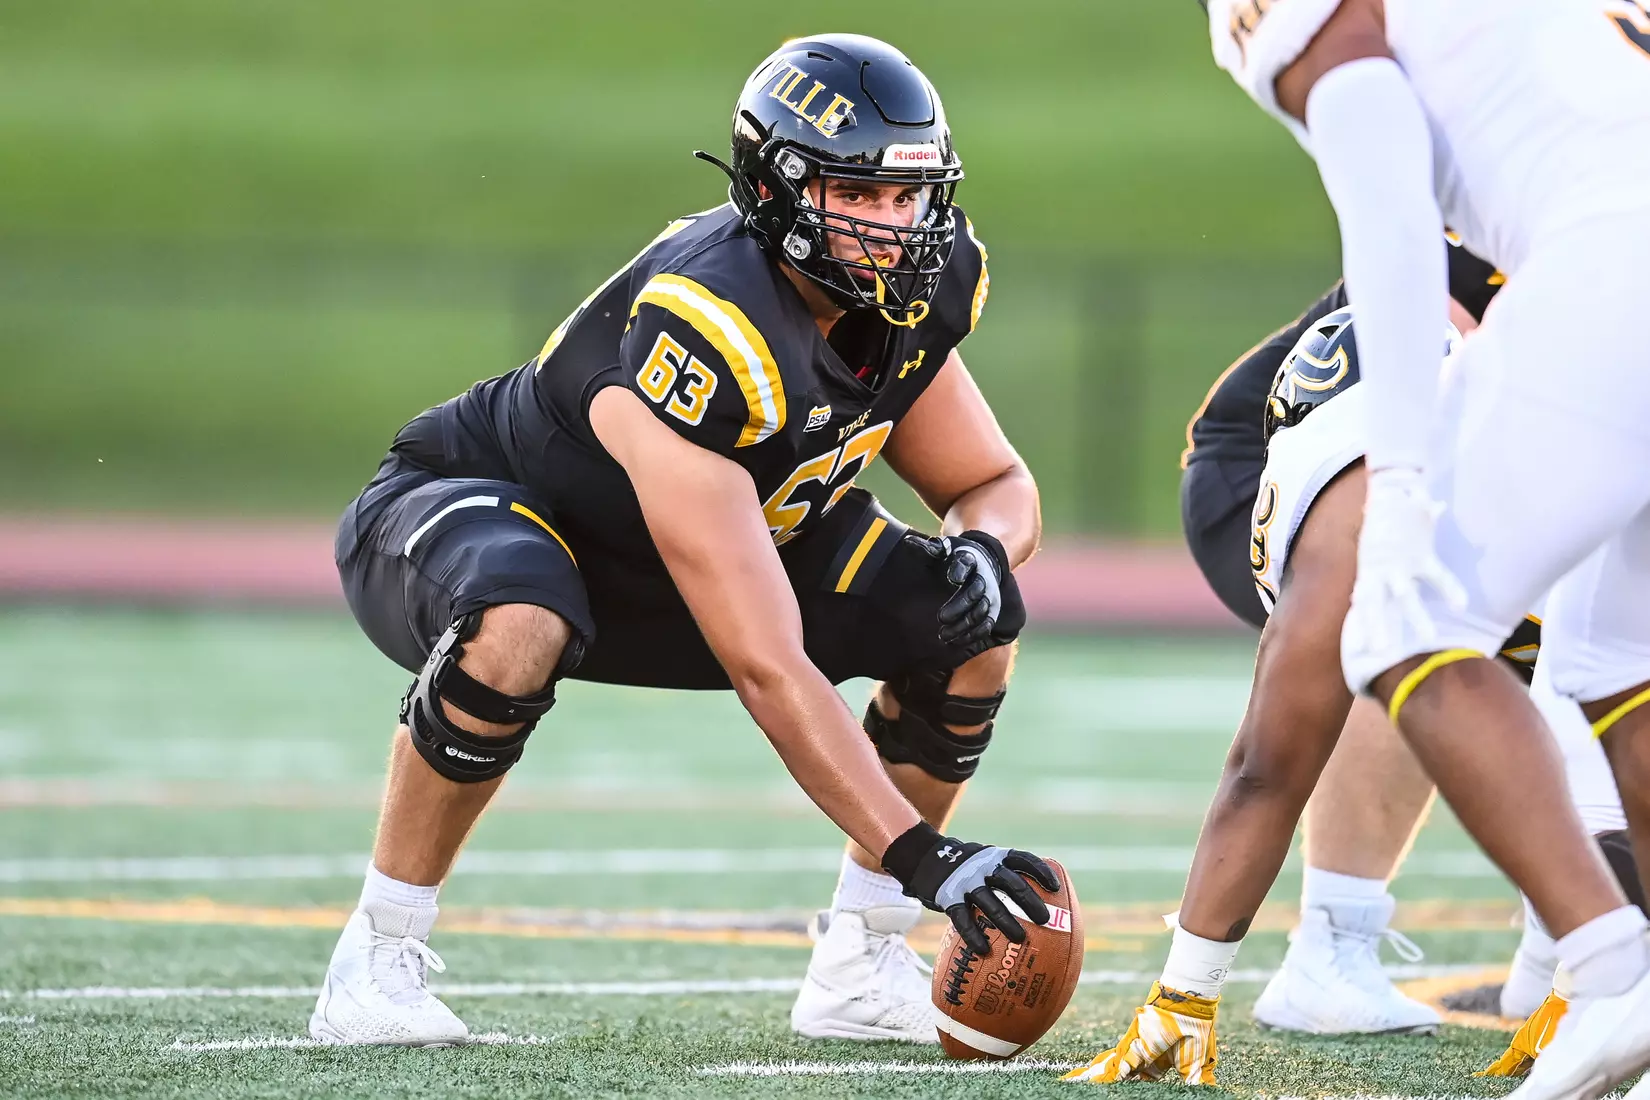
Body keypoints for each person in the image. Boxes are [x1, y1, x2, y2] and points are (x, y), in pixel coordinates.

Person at [312, 33, 1058, 1048]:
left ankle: (861, 956)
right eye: (860, 196)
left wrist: (983, 549)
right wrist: (924, 853)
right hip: (489, 512)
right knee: (523, 613)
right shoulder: (712, 324)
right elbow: (767, 663)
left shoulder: (914, 291)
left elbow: (990, 483)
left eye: (908, 196)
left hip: (696, 560)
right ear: (776, 188)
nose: (893, 225)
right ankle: (377, 952)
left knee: (972, 622)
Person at [1074, 3, 1650, 1093]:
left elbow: (1387, 202)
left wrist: (1398, 481)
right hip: (1612, 250)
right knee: (1617, 657)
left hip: (1612, 262)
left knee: (1407, 621)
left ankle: (1609, 965)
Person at [1174, 244, 1502, 1037]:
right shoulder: (1516, 226)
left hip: (1430, 461)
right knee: (1408, 628)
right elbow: (1459, 404)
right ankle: (1332, 948)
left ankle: (1562, 962)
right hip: (1291, 462)